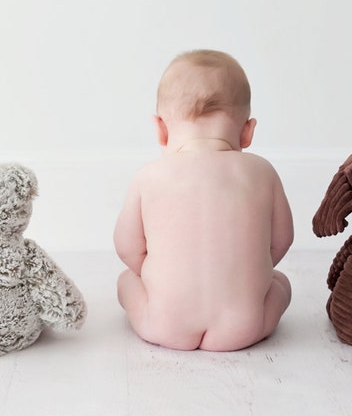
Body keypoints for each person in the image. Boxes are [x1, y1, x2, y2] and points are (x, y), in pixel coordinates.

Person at [114, 50, 294, 351]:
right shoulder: (262, 172)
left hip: (164, 323)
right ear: (248, 131)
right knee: (281, 284)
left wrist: (159, 274)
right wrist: (246, 270)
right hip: (243, 327)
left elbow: (127, 248)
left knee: (125, 281)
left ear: (160, 129)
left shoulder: (149, 176)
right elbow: (281, 240)